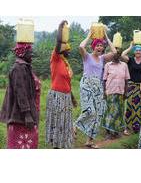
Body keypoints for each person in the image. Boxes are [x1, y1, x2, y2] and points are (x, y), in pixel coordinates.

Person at [75, 29, 117, 148]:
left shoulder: (103, 58)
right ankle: (75, 125)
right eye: (97, 45)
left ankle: (90, 141)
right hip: (87, 84)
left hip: (98, 86)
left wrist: (107, 38)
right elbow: (81, 46)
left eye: (101, 46)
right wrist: (89, 35)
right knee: (90, 111)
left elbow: (114, 52)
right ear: (93, 47)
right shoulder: (87, 57)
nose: (100, 47)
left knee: (98, 113)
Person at [0, 43, 40, 149]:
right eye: (29, 52)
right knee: (21, 145)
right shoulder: (19, 68)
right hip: (20, 117)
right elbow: (21, 93)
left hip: (24, 115)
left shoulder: (25, 67)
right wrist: (27, 115)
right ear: (22, 53)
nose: (32, 54)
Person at [46, 20, 77, 149]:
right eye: (66, 49)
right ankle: (56, 147)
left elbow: (67, 82)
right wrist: (60, 28)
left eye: (68, 49)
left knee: (65, 122)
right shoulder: (55, 59)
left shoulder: (66, 64)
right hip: (57, 96)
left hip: (66, 97)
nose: (68, 51)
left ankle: (63, 145)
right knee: (58, 122)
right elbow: (59, 44)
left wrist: (72, 98)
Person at [121, 41, 141, 135]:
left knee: (139, 107)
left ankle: (137, 127)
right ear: (134, 52)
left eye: (140, 50)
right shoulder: (130, 60)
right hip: (131, 86)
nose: (138, 51)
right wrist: (130, 46)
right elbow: (122, 55)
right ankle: (127, 127)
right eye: (136, 50)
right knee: (130, 106)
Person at [102, 49, 130, 139]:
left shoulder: (124, 65)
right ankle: (108, 132)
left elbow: (126, 80)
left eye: (118, 54)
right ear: (111, 55)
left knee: (119, 111)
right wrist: (104, 92)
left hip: (121, 91)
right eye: (115, 54)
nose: (117, 55)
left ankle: (116, 131)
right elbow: (104, 80)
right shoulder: (107, 65)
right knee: (110, 111)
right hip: (110, 91)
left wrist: (126, 92)